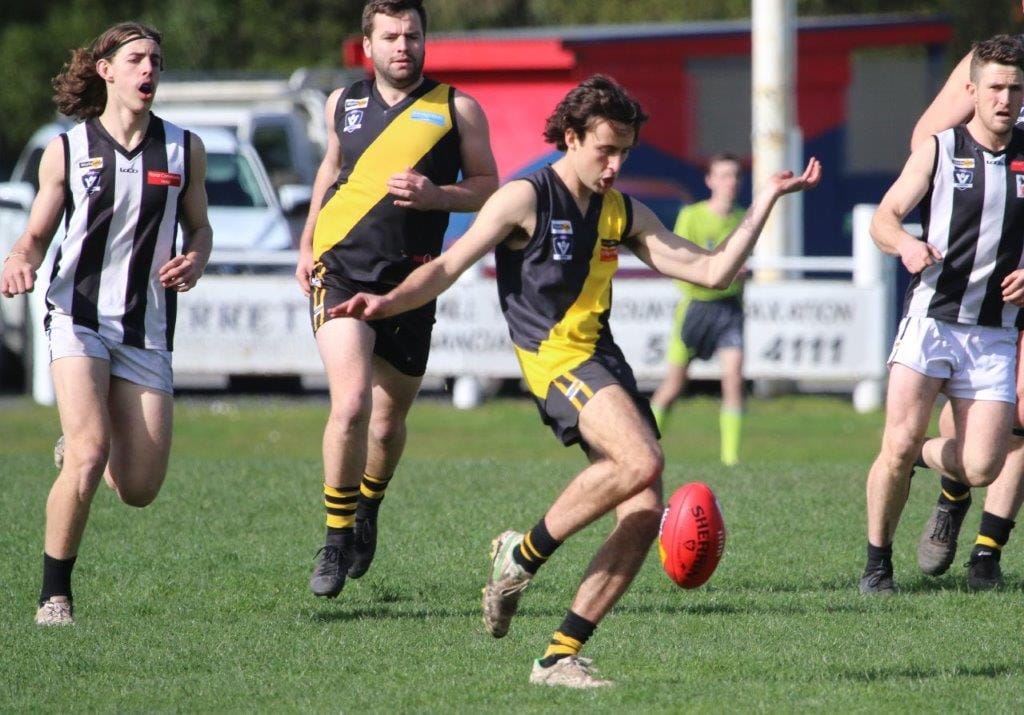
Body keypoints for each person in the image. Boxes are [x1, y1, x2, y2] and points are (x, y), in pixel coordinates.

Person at [332, 75, 820, 687]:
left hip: (602, 360)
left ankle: (558, 656)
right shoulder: (523, 198)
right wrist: (385, 303)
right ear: (570, 137)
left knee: (643, 511)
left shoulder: (621, 211)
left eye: (625, 153)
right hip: (555, 360)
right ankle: (522, 554)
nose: (615, 165)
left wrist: (769, 199)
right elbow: (449, 267)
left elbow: (713, 271)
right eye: (605, 151)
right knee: (643, 460)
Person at [0, 22, 212, 625]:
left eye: (157, 61)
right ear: (107, 70)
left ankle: (80, 443)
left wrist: (196, 257)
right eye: (137, 59)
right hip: (78, 317)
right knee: (91, 456)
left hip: (146, 327)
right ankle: (54, 596)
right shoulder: (68, 149)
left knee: (141, 488)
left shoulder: (183, 148)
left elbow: (200, 227)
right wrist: (19, 260)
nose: (149, 70)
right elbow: (38, 234)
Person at [294, 0, 498, 598]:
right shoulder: (343, 104)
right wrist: (307, 242)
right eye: (390, 36)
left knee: (386, 424)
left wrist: (438, 195)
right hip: (341, 272)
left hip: (411, 281)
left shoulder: (457, 109)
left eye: (412, 35)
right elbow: (330, 171)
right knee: (351, 403)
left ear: (425, 40)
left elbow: (489, 187)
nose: (402, 46)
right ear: (368, 44)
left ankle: (368, 510)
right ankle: (333, 541)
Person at [861, 35, 1024, 596]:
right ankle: (877, 565)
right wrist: (904, 245)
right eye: (996, 88)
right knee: (897, 442)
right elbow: (885, 216)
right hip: (931, 320)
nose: (1006, 99)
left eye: (1015, 89)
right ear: (973, 92)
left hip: (995, 331)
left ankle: (919, 462)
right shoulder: (938, 147)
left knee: (982, 467)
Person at [908, 18, 1024, 591]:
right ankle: (949, 487)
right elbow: (926, 140)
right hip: (980, 279)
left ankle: (987, 554)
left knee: (1022, 422)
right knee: (999, 425)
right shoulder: (992, 64)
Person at [649, 153, 748, 466]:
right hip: (696, 307)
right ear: (710, 180)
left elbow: (742, 264)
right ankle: (646, 444)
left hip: (728, 308)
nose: (730, 182)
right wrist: (712, 273)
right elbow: (680, 263)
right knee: (674, 385)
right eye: (723, 175)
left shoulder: (743, 218)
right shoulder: (691, 216)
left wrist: (740, 273)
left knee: (733, 377)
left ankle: (730, 459)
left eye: (734, 176)